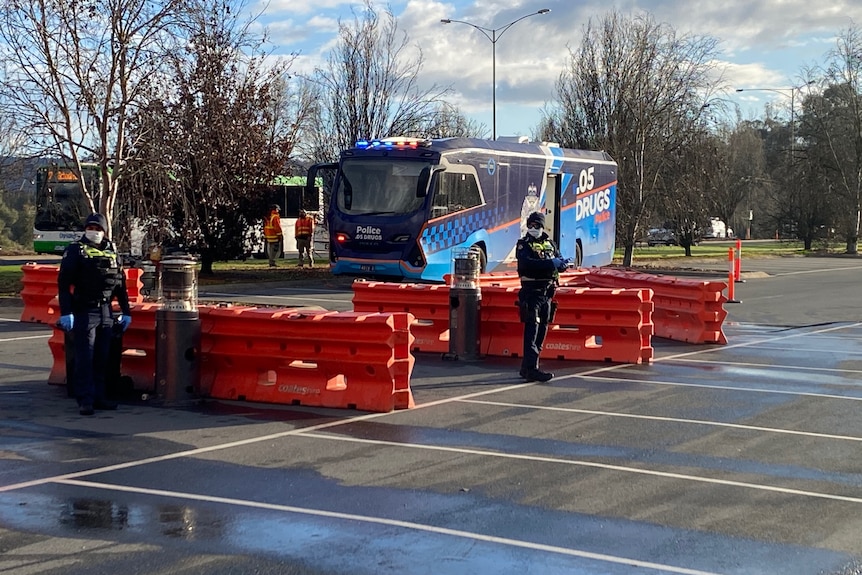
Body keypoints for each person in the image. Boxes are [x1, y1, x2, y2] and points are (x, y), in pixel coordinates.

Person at [57, 213, 132, 416]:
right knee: (85, 357)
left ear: (104, 231)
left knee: (102, 357)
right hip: (85, 310)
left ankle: (100, 397)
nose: (94, 232)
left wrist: (126, 311)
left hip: (106, 310)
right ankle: (85, 399)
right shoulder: (76, 251)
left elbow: (120, 285)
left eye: (98, 229)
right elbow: (64, 285)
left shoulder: (112, 251)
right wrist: (67, 312)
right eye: (91, 228)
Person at [515, 211, 570, 382]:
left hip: (548, 292)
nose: (533, 228)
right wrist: (550, 263)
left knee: (543, 329)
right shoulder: (524, 244)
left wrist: (561, 264)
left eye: (536, 226)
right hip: (532, 291)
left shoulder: (550, 244)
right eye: (530, 225)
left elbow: (559, 260)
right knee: (532, 330)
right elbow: (527, 264)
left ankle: (527, 366)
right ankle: (532, 368)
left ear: (542, 226)